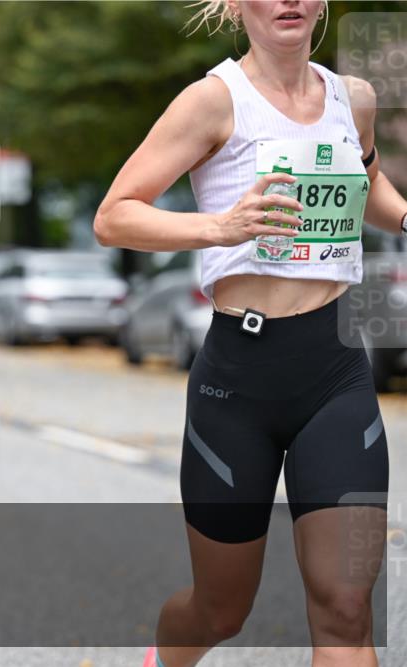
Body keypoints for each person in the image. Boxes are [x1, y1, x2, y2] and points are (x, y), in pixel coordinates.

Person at [93, 2, 407, 666]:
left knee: (347, 609)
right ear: (238, 4)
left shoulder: (355, 99)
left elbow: (370, 180)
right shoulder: (210, 102)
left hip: (336, 371)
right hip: (239, 378)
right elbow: (115, 215)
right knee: (220, 610)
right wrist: (219, 227)